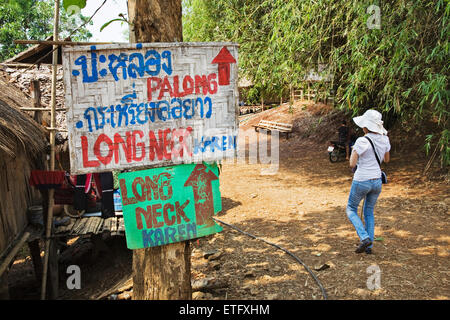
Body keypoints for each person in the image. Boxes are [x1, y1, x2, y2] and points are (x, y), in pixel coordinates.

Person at [346, 109, 390, 254]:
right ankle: (369, 247)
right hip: (377, 181)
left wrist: (354, 151)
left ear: (366, 126)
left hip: (362, 180)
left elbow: (352, 164)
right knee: (369, 212)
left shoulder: (362, 141)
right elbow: (387, 159)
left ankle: (364, 237)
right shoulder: (385, 139)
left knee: (351, 209)